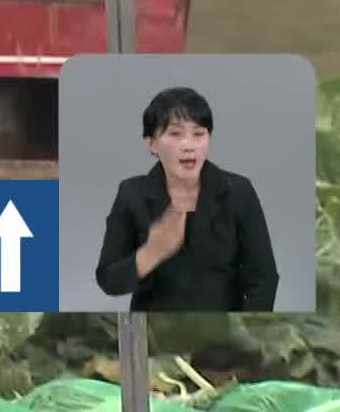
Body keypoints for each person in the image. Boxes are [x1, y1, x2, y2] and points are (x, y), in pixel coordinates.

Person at [94, 86, 279, 311]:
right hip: (155, 330)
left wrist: (248, 332)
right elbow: (108, 280)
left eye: (198, 134)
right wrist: (152, 252)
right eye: (175, 134)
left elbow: (264, 278)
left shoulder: (238, 191)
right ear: (151, 143)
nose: (189, 145)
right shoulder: (131, 194)